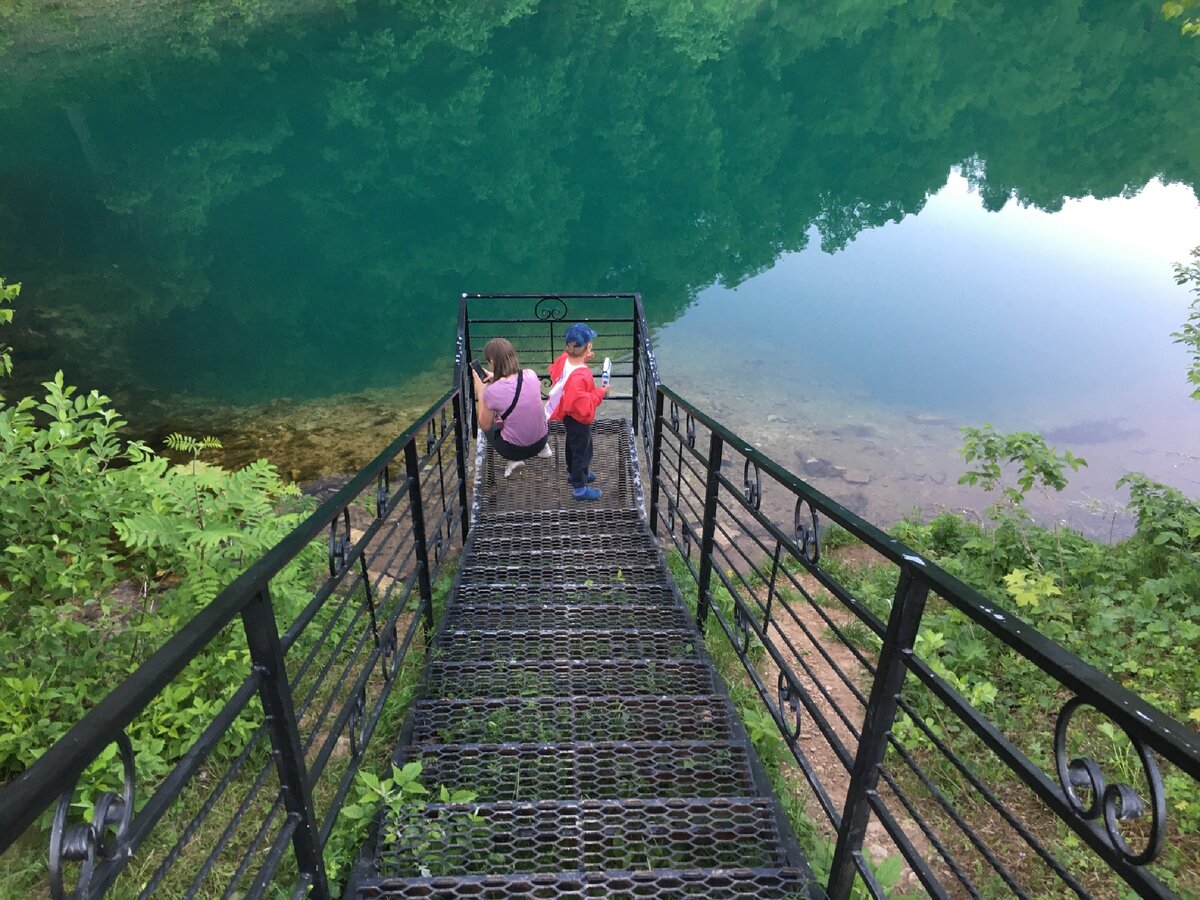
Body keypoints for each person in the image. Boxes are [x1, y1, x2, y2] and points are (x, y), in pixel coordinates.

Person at [546, 323, 610, 500]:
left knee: (572, 445)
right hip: (577, 419)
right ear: (588, 346)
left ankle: (573, 474)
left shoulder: (564, 359)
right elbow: (584, 407)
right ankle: (579, 488)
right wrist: (601, 392)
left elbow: (562, 369)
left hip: (567, 414)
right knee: (582, 450)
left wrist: (584, 358)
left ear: (567, 347)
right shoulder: (580, 376)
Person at [472, 337, 552, 478]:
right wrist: (496, 378)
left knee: (491, 424)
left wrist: (481, 392)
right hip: (542, 440)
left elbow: (484, 425)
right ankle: (544, 450)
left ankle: (514, 460)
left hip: (515, 450)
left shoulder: (492, 391)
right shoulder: (531, 374)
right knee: (528, 408)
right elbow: (515, 390)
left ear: (491, 362)